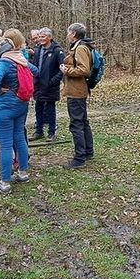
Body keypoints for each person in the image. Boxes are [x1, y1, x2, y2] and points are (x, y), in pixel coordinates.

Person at [0, 30, 38, 193]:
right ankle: (22, 173)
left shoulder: (5, 61)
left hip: (4, 107)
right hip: (21, 103)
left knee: (5, 145)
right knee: (19, 138)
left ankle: (5, 183)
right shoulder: (20, 57)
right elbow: (35, 71)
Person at [60, 22, 94, 170]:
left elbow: (84, 70)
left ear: (73, 34)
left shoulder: (80, 48)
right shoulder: (81, 47)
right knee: (83, 122)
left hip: (76, 91)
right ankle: (88, 151)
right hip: (78, 90)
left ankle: (79, 158)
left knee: (76, 124)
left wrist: (66, 70)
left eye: (69, 32)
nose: (67, 35)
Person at [31, 27, 64, 143]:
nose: (41, 39)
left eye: (43, 36)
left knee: (50, 109)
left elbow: (62, 69)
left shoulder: (57, 51)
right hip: (38, 85)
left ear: (50, 37)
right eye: (39, 37)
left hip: (50, 86)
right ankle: (39, 131)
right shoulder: (37, 50)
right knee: (38, 108)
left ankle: (51, 133)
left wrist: (52, 81)